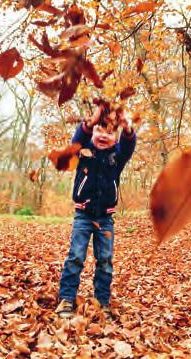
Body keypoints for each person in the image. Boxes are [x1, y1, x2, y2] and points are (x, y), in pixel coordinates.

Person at [56, 104, 136, 318]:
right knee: (75, 257)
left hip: (106, 219)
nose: (104, 135)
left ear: (115, 138)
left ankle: (102, 301)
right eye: (100, 130)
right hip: (83, 215)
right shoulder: (83, 151)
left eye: (110, 132)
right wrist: (90, 122)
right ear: (93, 133)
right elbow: (76, 142)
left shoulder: (116, 157)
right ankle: (66, 299)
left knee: (105, 261)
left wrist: (127, 128)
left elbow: (128, 147)